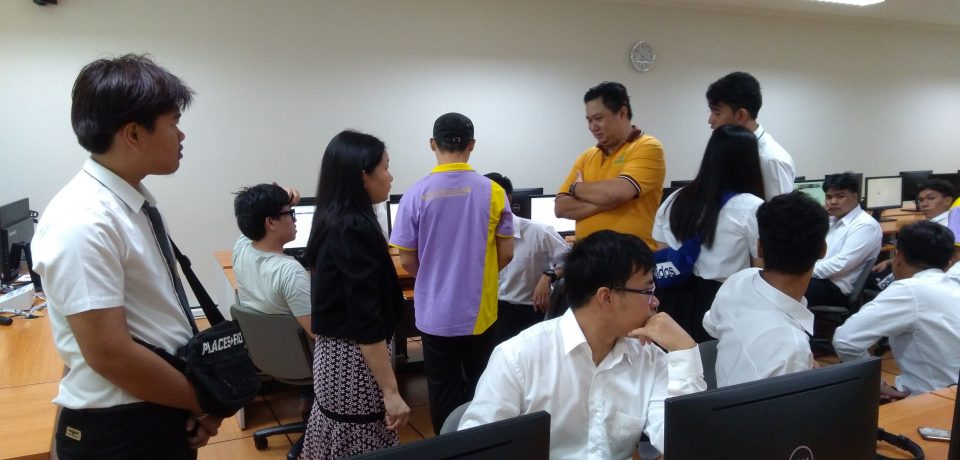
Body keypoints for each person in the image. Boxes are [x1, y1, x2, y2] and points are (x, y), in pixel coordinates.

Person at [31, 54, 222, 459]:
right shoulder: (83, 220)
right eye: (173, 123)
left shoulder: (127, 204)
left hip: (154, 403)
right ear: (134, 133)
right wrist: (200, 401)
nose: (182, 135)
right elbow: (111, 355)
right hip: (121, 428)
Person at [459, 230, 705, 459]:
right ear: (606, 297)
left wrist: (684, 350)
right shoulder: (519, 357)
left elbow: (687, 447)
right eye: (648, 290)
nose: (655, 301)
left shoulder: (649, 358)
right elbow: (477, 451)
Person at [389, 113, 514, 433]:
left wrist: (435, 276)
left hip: (435, 314)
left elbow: (407, 260)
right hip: (480, 312)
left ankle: (448, 447)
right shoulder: (495, 192)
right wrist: (476, 274)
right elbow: (506, 254)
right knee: (481, 385)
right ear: (472, 145)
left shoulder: (414, 194)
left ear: (433, 144)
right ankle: (480, 445)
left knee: (442, 387)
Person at [301, 130, 410, 458]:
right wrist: (391, 392)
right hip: (355, 363)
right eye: (385, 167)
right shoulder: (354, 227)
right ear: (363, 176)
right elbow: (365, 318)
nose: (390, 176)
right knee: (362, 441)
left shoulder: (333, 218)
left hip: (335, 359)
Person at [652, 124, 765, 342]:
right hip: (721, 303)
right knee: (712, 360)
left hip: (670, 298)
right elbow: (759, 270)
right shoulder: (751, 207)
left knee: (673, 358)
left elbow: (662, 251)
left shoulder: (674, 199)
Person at [703, 191, 829, 387]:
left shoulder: (738, 280)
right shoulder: (793, 348)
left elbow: (710, 324)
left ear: (760, 247)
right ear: (823, 250)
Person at [833, 221, 960, 398]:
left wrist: (876, 384)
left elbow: (845, 340)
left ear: (898, 257)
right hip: (949, 395)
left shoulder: (909, 290)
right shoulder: (953, 286)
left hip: (932, 399)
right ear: (948, 263)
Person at [231, 183, 315, 419]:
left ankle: (308, 398)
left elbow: (252, 215)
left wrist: (282, 200)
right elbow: (317, 331)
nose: (295, 220)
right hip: (301, 360)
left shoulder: (242, 249)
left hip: (268, 356)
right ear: (270, 222)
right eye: (291, 213)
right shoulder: (289, 271)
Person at [555, 81, 665, 248]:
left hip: (630, 258)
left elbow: (617, 193)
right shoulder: (586, 156)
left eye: (598, 119)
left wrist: (577, 188)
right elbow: (561, 208)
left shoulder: (648, 147)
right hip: (587, 257)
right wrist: (608, 200)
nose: (593, 127)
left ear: (622, 113)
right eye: (589, 120)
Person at [484, 172, 570, 344]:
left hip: (524, 310)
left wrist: (549, 275)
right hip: (487, 309)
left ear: (508, 199)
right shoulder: (476, 234)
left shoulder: (538, 232)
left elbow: (572, 259)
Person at [706, 71, 795, 200]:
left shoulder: (771, 161)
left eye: (717, 113)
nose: (710, 120)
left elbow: (781, 212)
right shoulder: (729, 150)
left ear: (741, 115)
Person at [805, 173, 882, 308]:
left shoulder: (865, 225)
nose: (833, 202)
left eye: (840, 196)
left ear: (855, 196)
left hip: (835, 288)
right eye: (829, 197)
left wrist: (804, 271)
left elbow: (841, 264)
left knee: (784, 291)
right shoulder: (831, 220)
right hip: (818, 278)